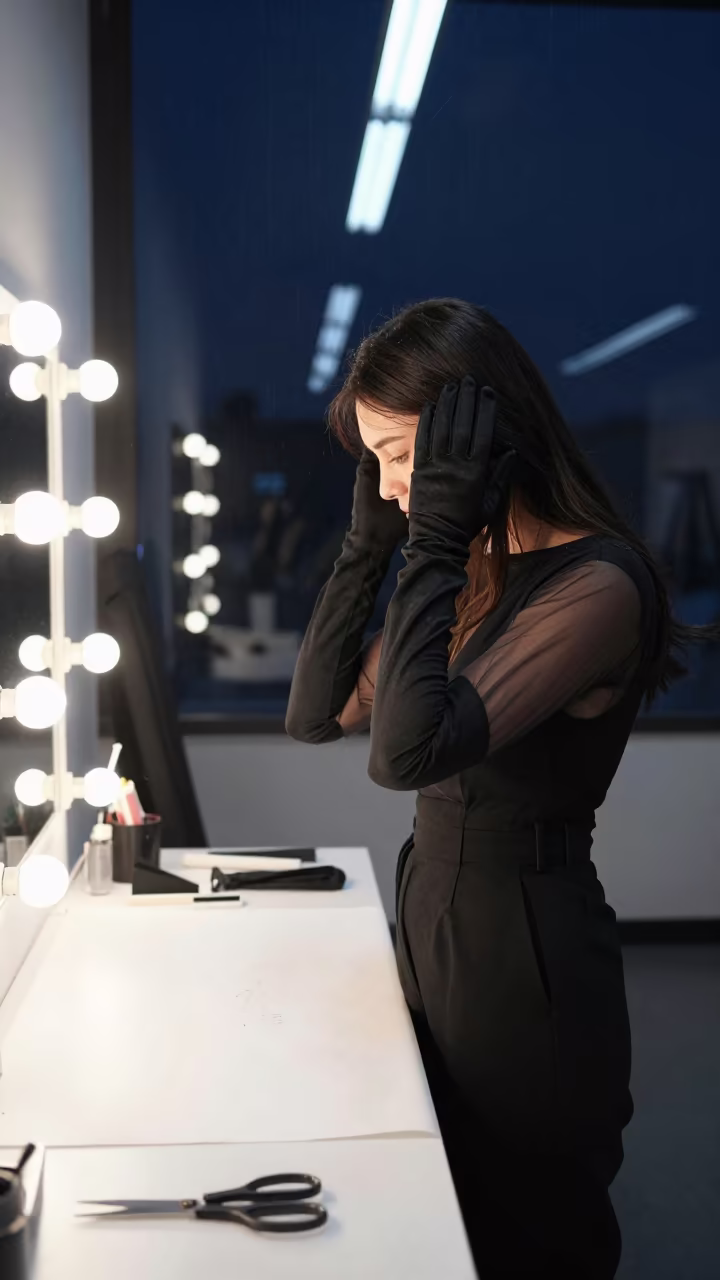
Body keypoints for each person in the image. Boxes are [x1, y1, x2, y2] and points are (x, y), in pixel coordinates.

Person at [285, 299, 718, 1279]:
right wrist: (367, 548)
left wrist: (432, 535)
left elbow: (405, 753)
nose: (394, 488)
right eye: (376, 464)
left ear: (468, 439)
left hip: (525, 944)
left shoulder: (596, 584)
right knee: (448, 1205)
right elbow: (317, 713)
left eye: (401, 454)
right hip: (436, 904)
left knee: (533, 1225)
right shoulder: (474, 571)